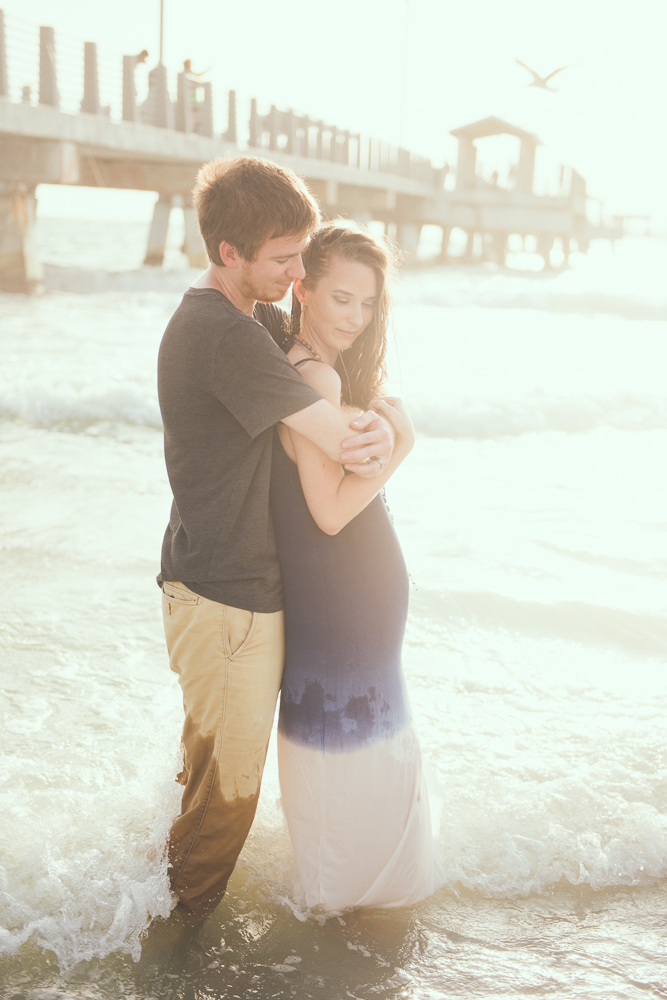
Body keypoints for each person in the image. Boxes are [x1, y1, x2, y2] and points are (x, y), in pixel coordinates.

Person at [157, 157, 395, 919]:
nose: (299, 272)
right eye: (285, 257)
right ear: (229, 253)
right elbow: (349, 445)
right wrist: (396, 427)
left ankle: (157, 906)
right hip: (228, 602)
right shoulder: (223, 334)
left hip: (220, 590)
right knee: (228, 798)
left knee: (208, 779)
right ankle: (176, 953)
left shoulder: (244, 318)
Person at [271, 224, 444, 910]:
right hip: (341, 635)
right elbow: (329, 512)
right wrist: (400, 450)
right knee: (358, 862)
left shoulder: (313, 369)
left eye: (367, 304)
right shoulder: (311, 375)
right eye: (340, 297)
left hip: (354, 638)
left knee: (360, 823)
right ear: (302, 288)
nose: (353, 316)